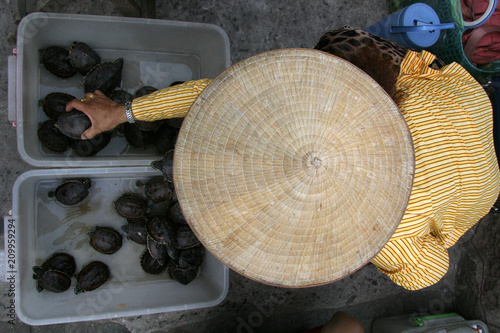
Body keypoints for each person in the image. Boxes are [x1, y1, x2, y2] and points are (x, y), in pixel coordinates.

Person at [66, 27, 500, 291]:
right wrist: (124, 112)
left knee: (337, 47)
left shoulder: (394, 238)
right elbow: (221, 95)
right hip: (458, 105)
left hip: (477, 172)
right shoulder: (352, 101)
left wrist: (374, 240)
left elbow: (429, 271)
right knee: (337, 47)